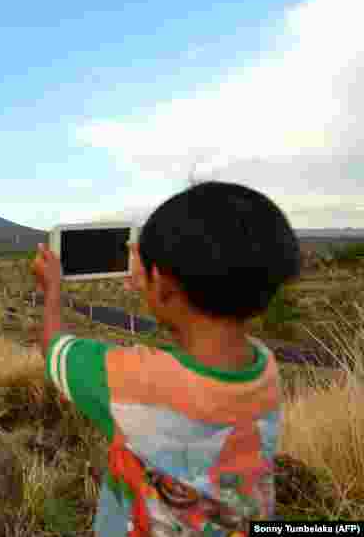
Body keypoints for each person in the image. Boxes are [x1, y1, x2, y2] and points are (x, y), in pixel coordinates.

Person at [31, 181, 300, 536]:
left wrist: (52, 291)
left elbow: (54, 348)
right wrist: (160, 286)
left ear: (162, 280)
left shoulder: (128, 378)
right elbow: (194, 333)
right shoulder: (264, 367)